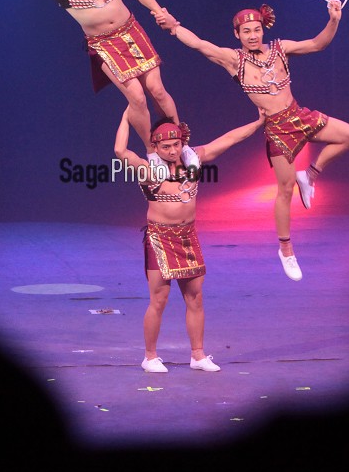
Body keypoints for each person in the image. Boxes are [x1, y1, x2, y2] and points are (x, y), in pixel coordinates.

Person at [153, 0, 349, 281]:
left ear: (263, 30)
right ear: (237, 34)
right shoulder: (234, 60)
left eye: (257, 29)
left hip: (299, 115)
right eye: (246, 31)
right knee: (284, 190)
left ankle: (310, 175)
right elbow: (200, 45)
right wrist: (173, 27)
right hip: (277, 128)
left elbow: (316, 44)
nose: (252, 35)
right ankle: (286, 250)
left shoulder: (280, 49)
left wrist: (334, 20)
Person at [27, 0, 199, 173]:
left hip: (130, 30)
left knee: (157, 90)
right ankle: (152, 152)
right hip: (102, 43)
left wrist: (159, 12)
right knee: (137, 97)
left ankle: (180, 143)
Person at [113, 109, 265, 372]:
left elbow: (229, 139)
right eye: (166, 146)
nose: (172, 150)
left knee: (195, 298)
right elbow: (120, 152)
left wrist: (258, 122)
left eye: (176, 144)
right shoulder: (149, 169)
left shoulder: (194, 159)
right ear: (156, 146)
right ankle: (149, 357)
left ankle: (198, 355)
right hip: (160, 239)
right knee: (159, 300)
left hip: (187, 238)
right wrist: (127, 117)